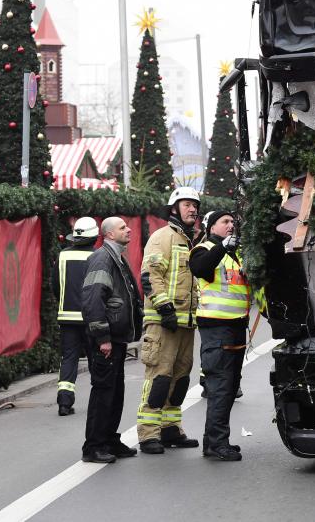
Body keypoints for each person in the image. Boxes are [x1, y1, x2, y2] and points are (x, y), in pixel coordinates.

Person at [136, 187, 201, 454]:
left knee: (181, 378)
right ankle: (148, 434)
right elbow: (150, 276)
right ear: (174, 208)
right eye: (187, 204)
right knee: (159, 378)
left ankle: (170, 429)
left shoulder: (191, 240)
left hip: (186, 323)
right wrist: (165, 309)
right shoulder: (162, 237)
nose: (193, 209)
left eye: (195, 205)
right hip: (164, 321)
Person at [80, 217, 143, 463]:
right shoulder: (102, 259)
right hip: (106, 340)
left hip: (117, 338)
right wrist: (102, 337)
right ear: (109, 235)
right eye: (122, 228)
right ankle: (94, 446)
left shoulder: (116, 257)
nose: (128, 229)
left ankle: (109, 439)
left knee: (115, 392)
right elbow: (93, 299)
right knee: (104, 391)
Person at [190, 210, 251, 461]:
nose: (231, 225)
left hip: (236, 327)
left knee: (229, 387)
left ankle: (213, 441)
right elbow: (201, 268)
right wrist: (222, 248)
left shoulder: (234, 255)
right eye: (225, 222)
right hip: (216, 329)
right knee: (220, 387)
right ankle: (217, 443)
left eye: (232, 222)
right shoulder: (203, 249)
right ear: (211, 226)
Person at [52, 217, 98, 417]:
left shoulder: (62, 256)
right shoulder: (98, 257)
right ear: (95, 237)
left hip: (67, 318)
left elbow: (55, 286)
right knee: (96, 359)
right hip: (91, 318)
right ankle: (99, 400)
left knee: (69, 358)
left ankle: (64, 402)